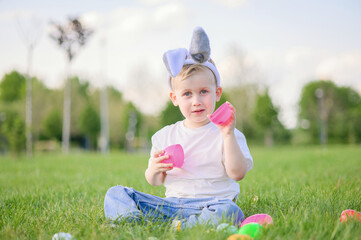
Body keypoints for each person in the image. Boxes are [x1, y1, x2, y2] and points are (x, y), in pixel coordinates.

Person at [104, 27, 253, 230]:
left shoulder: (229, 134)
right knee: (116, 193)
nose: (196, 101)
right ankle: (132, 222)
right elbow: (155, 181)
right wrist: (154, 169)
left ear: (217, 93)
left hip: (214, 204)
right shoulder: (164, 136)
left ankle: (181, 227)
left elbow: (237, 173)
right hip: (172, 205)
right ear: (174, 98)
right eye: (187, 94)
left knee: (231, 212)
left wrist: (227, 135)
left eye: (203, 91)